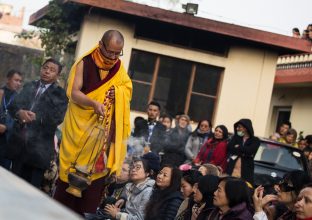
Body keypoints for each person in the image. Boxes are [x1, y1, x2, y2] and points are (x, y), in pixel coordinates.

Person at [54, 30, 132, 215]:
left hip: (101, 136)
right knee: (67, 186)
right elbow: (73, 93)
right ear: (100, 44)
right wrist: (93, 103)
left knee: (91, 193)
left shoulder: (119, 68)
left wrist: (117, 93)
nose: (113, 57)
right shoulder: (85, 62)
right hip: (79, 131)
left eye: (117, 53)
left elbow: (126, 89)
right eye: (110, 51)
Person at [6, 58, 68, 188]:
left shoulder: (60, 94)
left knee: (29, 190)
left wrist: (37, 117)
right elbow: (13, 106)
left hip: (38, 151)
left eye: (52, 70)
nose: (47, 72)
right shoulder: (30, 85)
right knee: (11, 186)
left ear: (57, 75)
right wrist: (19, 113)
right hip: (19, 145)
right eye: (45, 68)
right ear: (41, 69)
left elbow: (57, 118)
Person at [226, 119, 260, 185]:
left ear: (245, 128)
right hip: (233, 168)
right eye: (237, 127)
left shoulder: (255, 140)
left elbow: (250, 151)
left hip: (246, 170)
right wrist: (244, 150)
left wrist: (238, 147)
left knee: (242, 186)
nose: (237, 128)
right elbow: (230, 148)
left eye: (239, 127)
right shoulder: (235, 137)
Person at [0, 69, 22, 169]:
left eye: (20, 81)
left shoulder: (20, 98)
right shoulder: (0, 92)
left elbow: (20, 120)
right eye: (16, 80)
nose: (18, 83)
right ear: (8, 79)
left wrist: (7, 127)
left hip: (8, 142)